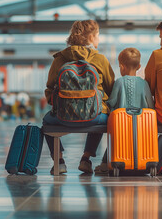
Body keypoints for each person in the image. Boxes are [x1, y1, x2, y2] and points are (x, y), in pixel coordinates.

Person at [43, 20, 115, 175]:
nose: (99, 39)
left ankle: (59, 161)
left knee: (46, 122)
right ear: (91, 37)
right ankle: (86, 159)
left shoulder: (60, 59)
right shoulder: (100, 59)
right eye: (98, 35)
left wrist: (59, 105)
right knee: (103, 113)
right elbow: (111, 88)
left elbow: (49, 88)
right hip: (95, 118)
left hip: (63, 117)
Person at [94, 48, 154, 174]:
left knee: (114, 141)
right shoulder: (144, 84)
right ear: (139, 66)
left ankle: (105, 163)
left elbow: (112, 102)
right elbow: (150, 106)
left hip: (121, 126)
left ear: (121, 67)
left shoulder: (119, 82)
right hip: (142, 126)